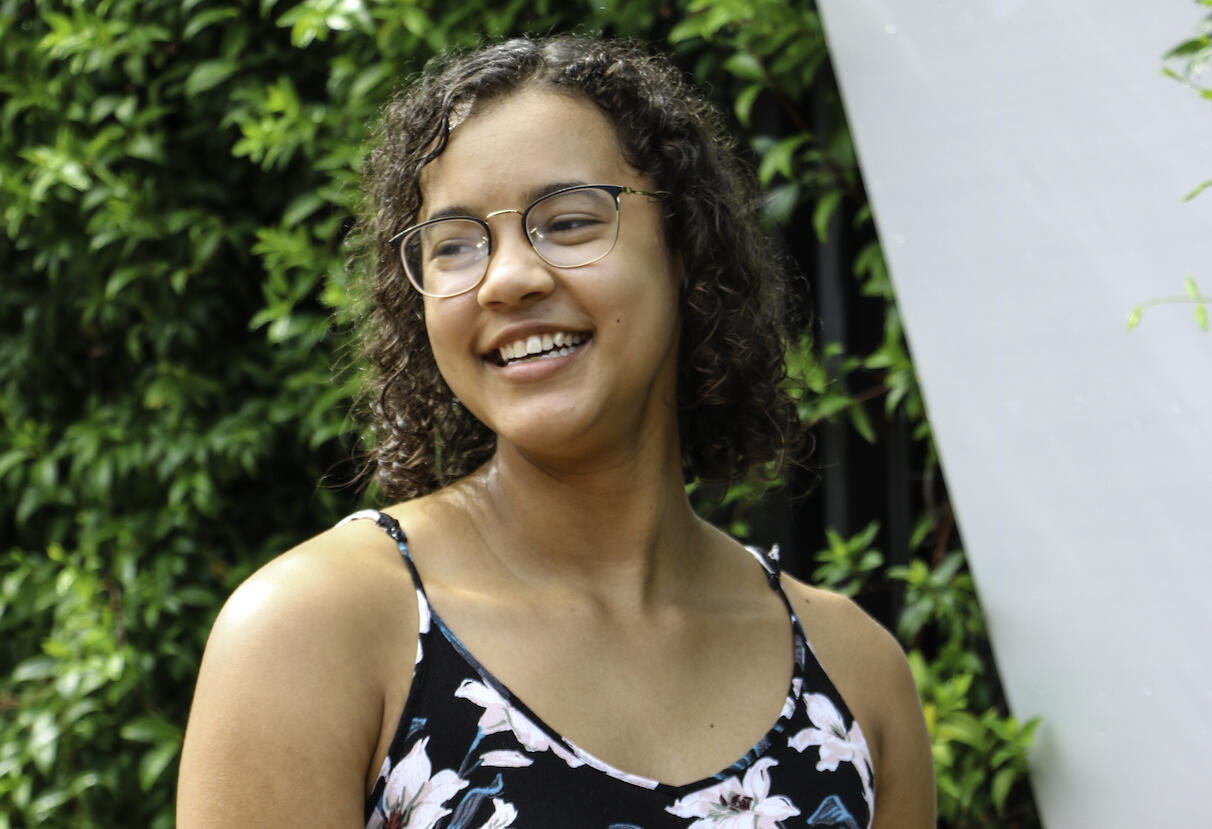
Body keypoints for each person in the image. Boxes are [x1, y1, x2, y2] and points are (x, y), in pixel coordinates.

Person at [177, 35, 934, 829]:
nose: (508, 278)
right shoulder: (314, 632)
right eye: (456, 244)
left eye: (569, 221)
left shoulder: (855, 681)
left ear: (685, 248)